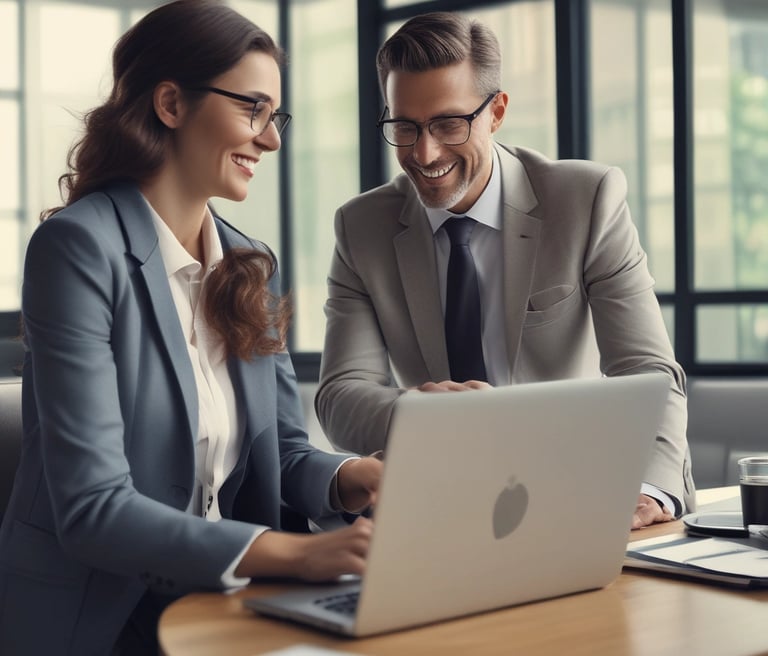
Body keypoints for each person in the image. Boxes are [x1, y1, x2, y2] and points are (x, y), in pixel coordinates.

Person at [0, 2, 381, 654]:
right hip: (99, 618)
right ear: (172, 104)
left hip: (222, 599)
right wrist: (292, 553)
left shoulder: (247, 264)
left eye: (276, 116)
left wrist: (353, 477)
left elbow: (281, 454)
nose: (272, 140)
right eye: (253, 110)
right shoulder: (75, 249)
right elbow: (94, 509)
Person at [315, 11, 694, 529]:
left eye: (449, 123)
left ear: (497, 111)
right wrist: (421, 413)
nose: (424, 153)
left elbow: (650, 372)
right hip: (441, 507)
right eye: (404, 126)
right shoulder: (361, 227)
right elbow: (340, 396)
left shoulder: (586, 200)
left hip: (578, 498)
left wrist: (649, 490)